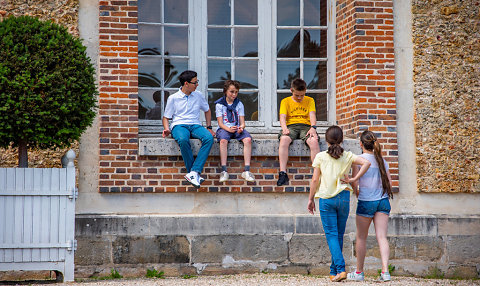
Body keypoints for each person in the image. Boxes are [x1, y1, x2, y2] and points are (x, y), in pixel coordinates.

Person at [307, 126, 371, 282]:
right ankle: (334, 270)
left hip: (327, 199)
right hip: (343, 198)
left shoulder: (321, 156)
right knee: (338, 235)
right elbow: (366, 163)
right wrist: (353, 180)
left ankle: (341, 269)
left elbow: (315, 180)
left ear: (326, 140)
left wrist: (310, 199)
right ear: (341, 140)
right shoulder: (348, 155)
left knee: (331, 235)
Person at [345, 130, 394, 282]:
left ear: (361, 144)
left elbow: (355, 182)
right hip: (383, 201)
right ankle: (385, 272)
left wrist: (356, 192)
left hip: (366, 201)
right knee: (381, 237)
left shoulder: (358, 160)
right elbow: (390, 183)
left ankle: (359, 272)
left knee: (361, 237)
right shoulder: (382, 161)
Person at [162, 70, 215, 189]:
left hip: (195, 125)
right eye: (195, 83)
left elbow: (207, 110)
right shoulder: (173, 98)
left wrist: (209, 127)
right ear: (186, 84)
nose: (197, 85)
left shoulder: (198, 95)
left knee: (208, 138)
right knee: (183, 139)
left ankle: (194, 173)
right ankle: (194, 173)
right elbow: (166, 117)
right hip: (179, 125)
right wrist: (166, 129)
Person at [277, 78, 320, 186]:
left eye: (302, 95)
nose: (300, 97)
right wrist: (284, 128)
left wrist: (313, 127)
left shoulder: (310, 100)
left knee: (314, 141)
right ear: (291, 90)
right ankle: (282, 173)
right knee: (284, 139)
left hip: (306, 126)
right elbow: (282, 117)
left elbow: (312, 115)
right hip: (291, 126)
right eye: (297, 95)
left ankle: (317, 173)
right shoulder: (285, 101)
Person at [215, 80, 255, 183]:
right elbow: (220, 123)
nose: (234, 94)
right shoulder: (220, 104)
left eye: (236, 92)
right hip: (225, 128)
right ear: (225, 91)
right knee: (223, 140)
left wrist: (241, 127)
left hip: (236, 128)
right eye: (232, 92)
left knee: (248, 139)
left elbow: (242, 122)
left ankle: (246, 170)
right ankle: (224, 171)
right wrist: (228, 129)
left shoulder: (239, 104)